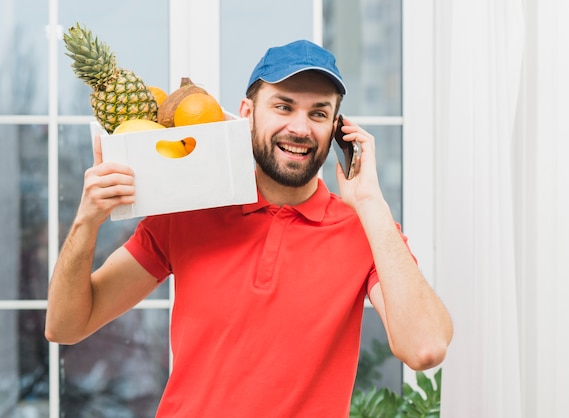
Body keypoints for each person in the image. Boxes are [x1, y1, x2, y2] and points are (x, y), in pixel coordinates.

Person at [45, 40, 453, 417]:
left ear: (337, 130)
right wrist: (86, 221)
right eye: (283, 106)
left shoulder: (365, 231)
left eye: (319, 113)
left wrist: (370, 202)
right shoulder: (190, 212)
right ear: (247, 114)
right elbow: (66, 326)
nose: (300, 128)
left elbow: (425, 347)